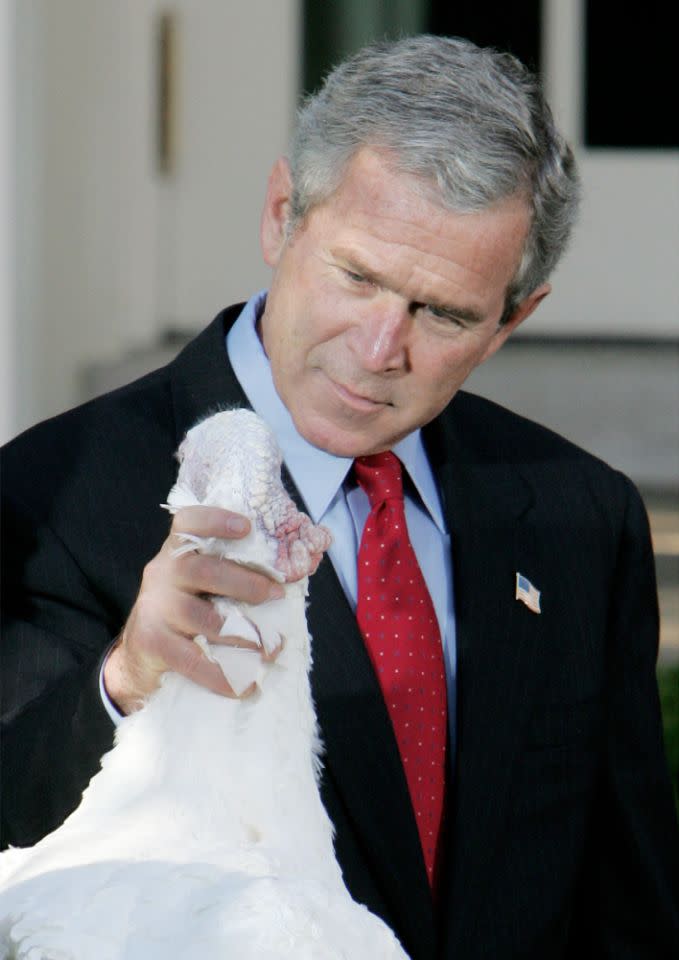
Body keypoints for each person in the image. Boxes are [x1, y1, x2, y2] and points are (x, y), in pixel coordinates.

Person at [2, 35, 678, 959]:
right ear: (283, 216)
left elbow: (625, 903)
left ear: (512, 319)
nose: (378, 350)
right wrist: (121, 682)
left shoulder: (578, 516)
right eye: (357, 278)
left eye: (442, 313)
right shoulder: (49, 493)